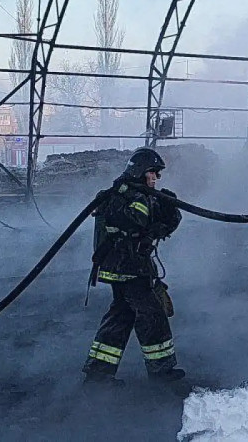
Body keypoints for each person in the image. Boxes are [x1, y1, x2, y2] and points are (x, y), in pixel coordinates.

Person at [83, 147, 184, 385]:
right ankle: (162, 373)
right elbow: (136, 220)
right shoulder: (119, 196)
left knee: (122, 315)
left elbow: (165, 223)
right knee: (152, 315)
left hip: (132, 267)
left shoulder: (143, 196)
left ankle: (98, 373)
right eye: (153, 173)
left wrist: (171, 209)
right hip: (126, 268)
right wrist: (153, 207)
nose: (156, 179)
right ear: (140, 171)